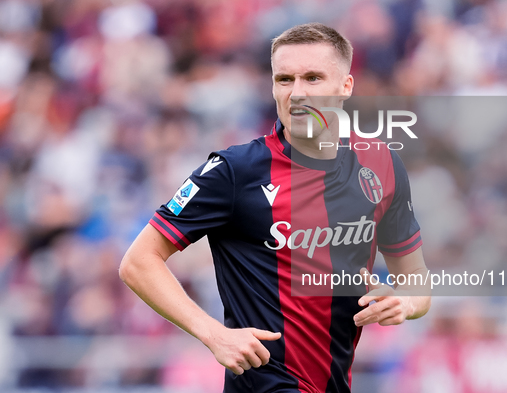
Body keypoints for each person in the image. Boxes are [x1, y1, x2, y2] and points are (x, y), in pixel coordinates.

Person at [119, 22, 430, 393]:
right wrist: (213, 334)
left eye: (313, 78)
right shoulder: (236, 171)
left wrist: (404, 303)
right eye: (285, 80)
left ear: (345, 87)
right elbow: (138, 262)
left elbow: (416, 280)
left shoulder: (380, 164)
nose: (297, 93)